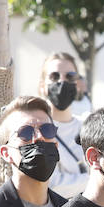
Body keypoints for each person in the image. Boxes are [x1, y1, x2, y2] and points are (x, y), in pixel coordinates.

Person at [38, 53, 88, 198]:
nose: (62, 81)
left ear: (78, 85)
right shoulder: (36, 131)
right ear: (42, 86)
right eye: (54, 77)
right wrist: (96, 181)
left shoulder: (88, 125)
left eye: (70, 76)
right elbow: (53, 184)